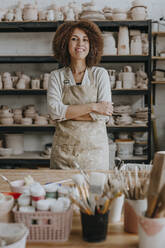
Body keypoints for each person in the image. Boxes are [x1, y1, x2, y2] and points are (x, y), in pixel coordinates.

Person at [47, 20, 113, 170]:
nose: (80, 44)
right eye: (74, 39)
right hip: (63, 153)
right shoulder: (56, 76)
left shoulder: (99, 74)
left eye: (85, 39)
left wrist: (67, 113)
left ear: (92, 44)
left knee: (94, 192)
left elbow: (104, 116)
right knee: (62, 192)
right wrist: (93, 107)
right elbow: (54, 112)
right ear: (65, 43)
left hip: (95, 154)